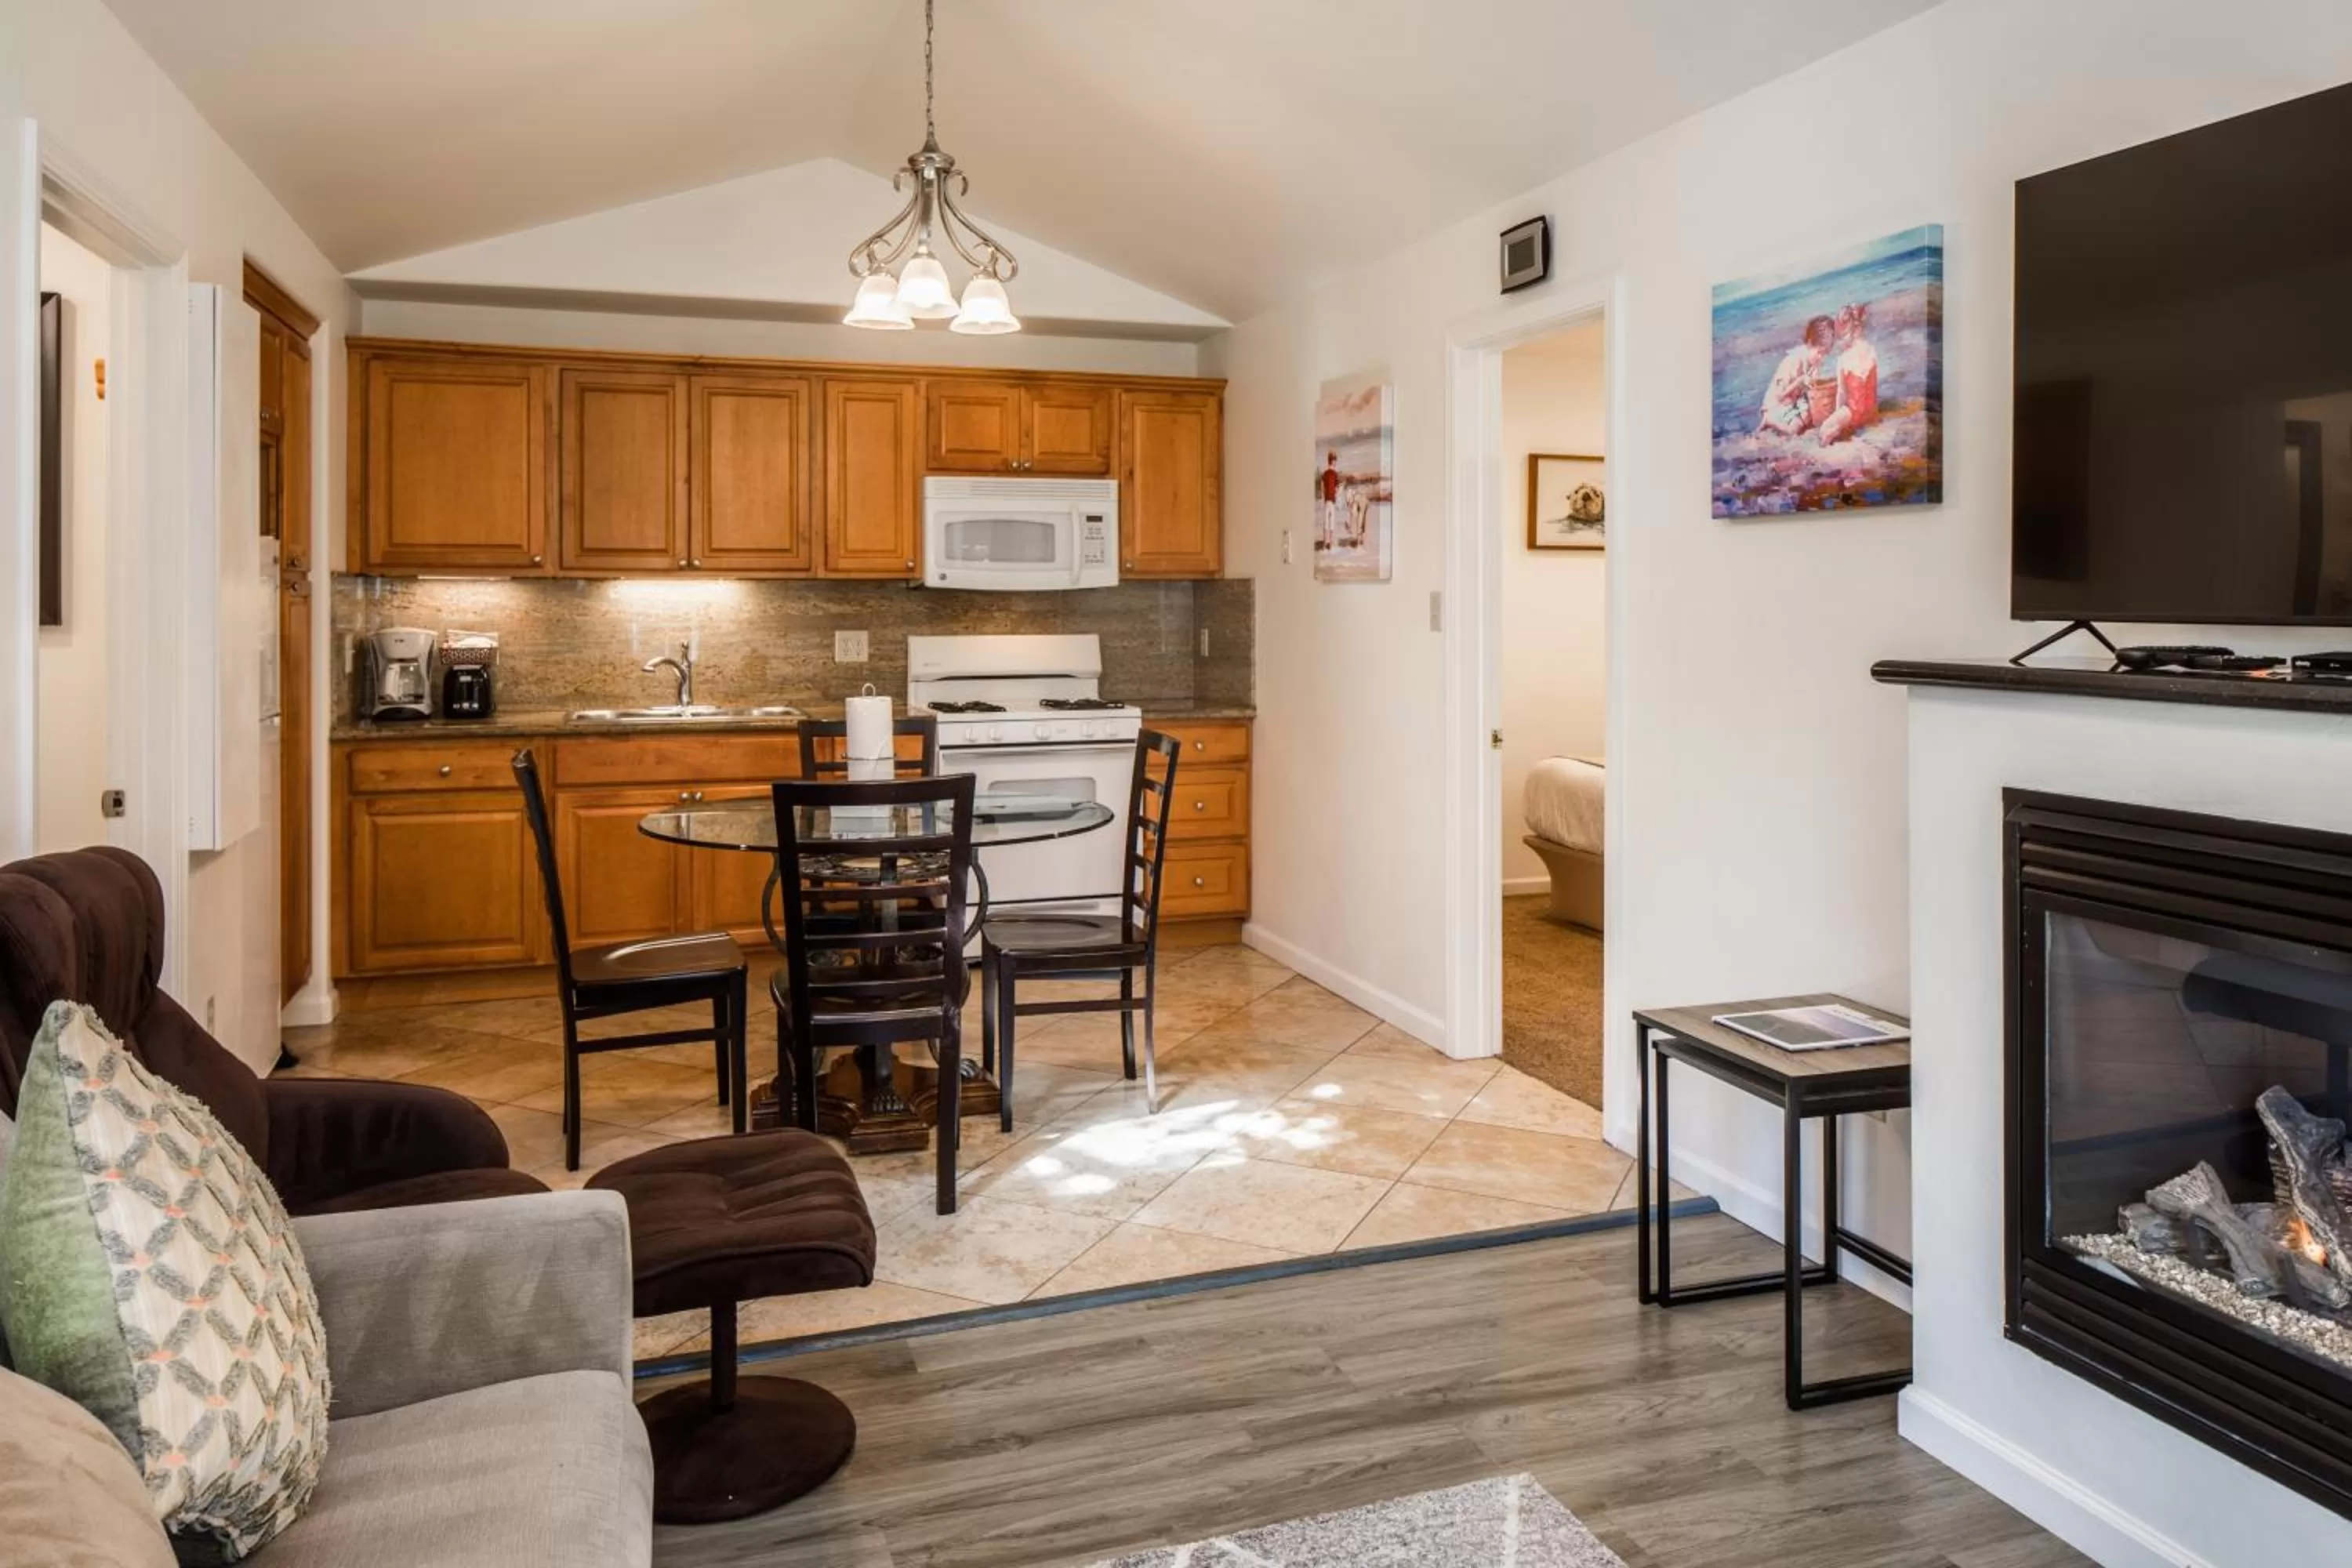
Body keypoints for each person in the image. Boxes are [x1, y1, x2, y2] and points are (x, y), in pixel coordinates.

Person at [1756, 315, 1835, 436]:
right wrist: (1801, 381)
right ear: (1809, 344)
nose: (1822, 358)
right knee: (1795, 429)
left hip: (1794, 402)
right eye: (1820, 353)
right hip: (1776, 405)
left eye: (1826, 354)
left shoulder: (1814, 361)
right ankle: (1770, 421)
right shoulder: (1794, 361)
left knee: (1810, 417)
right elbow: (1779, 396)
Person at [1818, 303, 1880, 445]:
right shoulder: (1871, 350)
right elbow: (1873, 387)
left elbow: (1841, 393)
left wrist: (1837, 416)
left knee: (1824, 430)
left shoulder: (1843, 359)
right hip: (1871, 409)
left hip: (1855, 413)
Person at [1318, 451, 1343, 546]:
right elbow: (1323, 485)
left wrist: (1335, 494)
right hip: (1329, 500)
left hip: (1331, 500)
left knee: (1329, 521)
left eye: (1335, 460)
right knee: (1328, 521)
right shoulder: (1329, 473)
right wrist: (1332, 494)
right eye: (1334, 460)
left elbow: (1336, 486)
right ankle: (1327, 542)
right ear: (1331, 461)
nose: (1335, 462)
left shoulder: (1332, 474)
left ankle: (1328, 542)